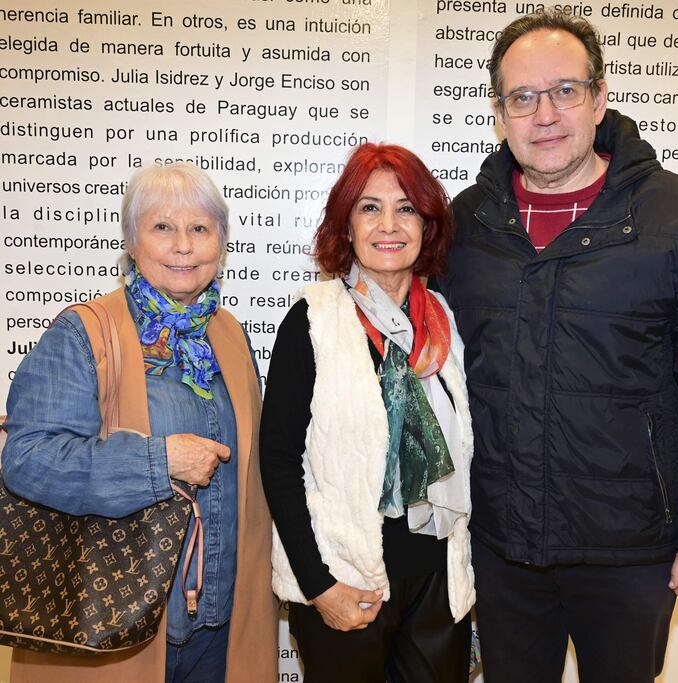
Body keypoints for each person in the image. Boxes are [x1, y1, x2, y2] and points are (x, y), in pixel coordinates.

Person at [433, 9, 678, 683]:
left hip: (631, 554)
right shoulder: (465, 224)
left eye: (565, 90)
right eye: (522, 97)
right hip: (503, 550)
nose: (545, 113)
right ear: (499, 111)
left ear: (600, 95)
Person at [2, 163, 277, 683]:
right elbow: (27, 459)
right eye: (162, 227)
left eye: (200, 228)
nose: (183, 246)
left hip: (219, 632)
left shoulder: (229, 338)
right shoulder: (84, 333)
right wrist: (160, 461)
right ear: (131, 240)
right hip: (117, 630)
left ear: (221, 241)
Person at [260, 142, 475, 682]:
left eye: (406, 208)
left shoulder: (443, 319)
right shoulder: (313, 320)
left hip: (436, 581)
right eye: (370, 207)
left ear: (426, 226)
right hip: (344, 577)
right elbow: (278, 460)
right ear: (347, 225)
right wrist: (318, 586)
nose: (390, 224)